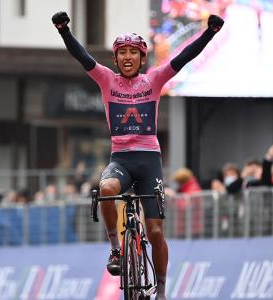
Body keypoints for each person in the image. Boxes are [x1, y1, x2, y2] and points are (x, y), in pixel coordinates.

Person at [52, 10, 224, 298]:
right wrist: (64, 30)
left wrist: (209, 32)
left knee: (155, 232)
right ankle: (116, 250)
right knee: (106, 189)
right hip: (121, 159)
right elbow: (82, 57)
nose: (128, 57)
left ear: (142, 58)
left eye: (134, 52)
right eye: (122, 53)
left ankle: (162, 290)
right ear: (115, 59)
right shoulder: (106, 80)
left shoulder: (154, 80)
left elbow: (183, 57)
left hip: (149, 161)